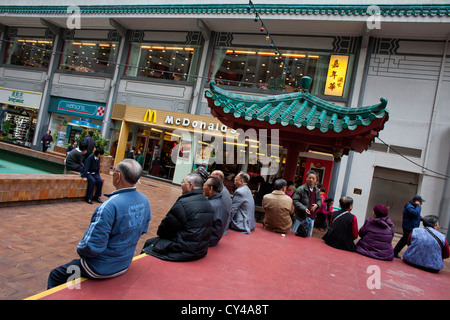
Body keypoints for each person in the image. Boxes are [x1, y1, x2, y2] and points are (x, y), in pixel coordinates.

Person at [47, 159, 151, 289]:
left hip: (99, 268)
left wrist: (82, 253)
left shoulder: (110, 206)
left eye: (114, 172)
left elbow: (91, 246)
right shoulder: (144, 200)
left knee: (56, 275)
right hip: (124, 262)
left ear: (118, 176)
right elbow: (143, 229)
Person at [141, 173, 214, 261]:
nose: (181, 184)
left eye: (183, 182)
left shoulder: (183, 204)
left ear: (190, 185)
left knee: (149, 243)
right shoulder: (207, 202)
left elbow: (165, 229)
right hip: (200, 248)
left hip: (184, 249)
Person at [292, 170, 321, 237]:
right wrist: (304, 208)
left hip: (312, 216)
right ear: (306, 178)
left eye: (313, 178)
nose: (311, 180)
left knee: (308, 235)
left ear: (316, 180)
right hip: (301, 216)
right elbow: (295, 200)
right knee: (295, 234)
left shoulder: (316, 190)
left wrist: (317, 205)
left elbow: (319, 200)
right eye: (309, 178)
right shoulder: (301, 189)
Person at [203, 176, 229, 247]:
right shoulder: (222, 203)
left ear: (211, 189)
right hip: (214, 238)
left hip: (208, 240)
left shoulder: (210, 205)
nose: (203, 188)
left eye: (204, 185)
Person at [210, 170, 232, 235]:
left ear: (217, 178)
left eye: (211, 177)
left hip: (218, 229)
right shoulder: (221, 188)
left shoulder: (218, 190)